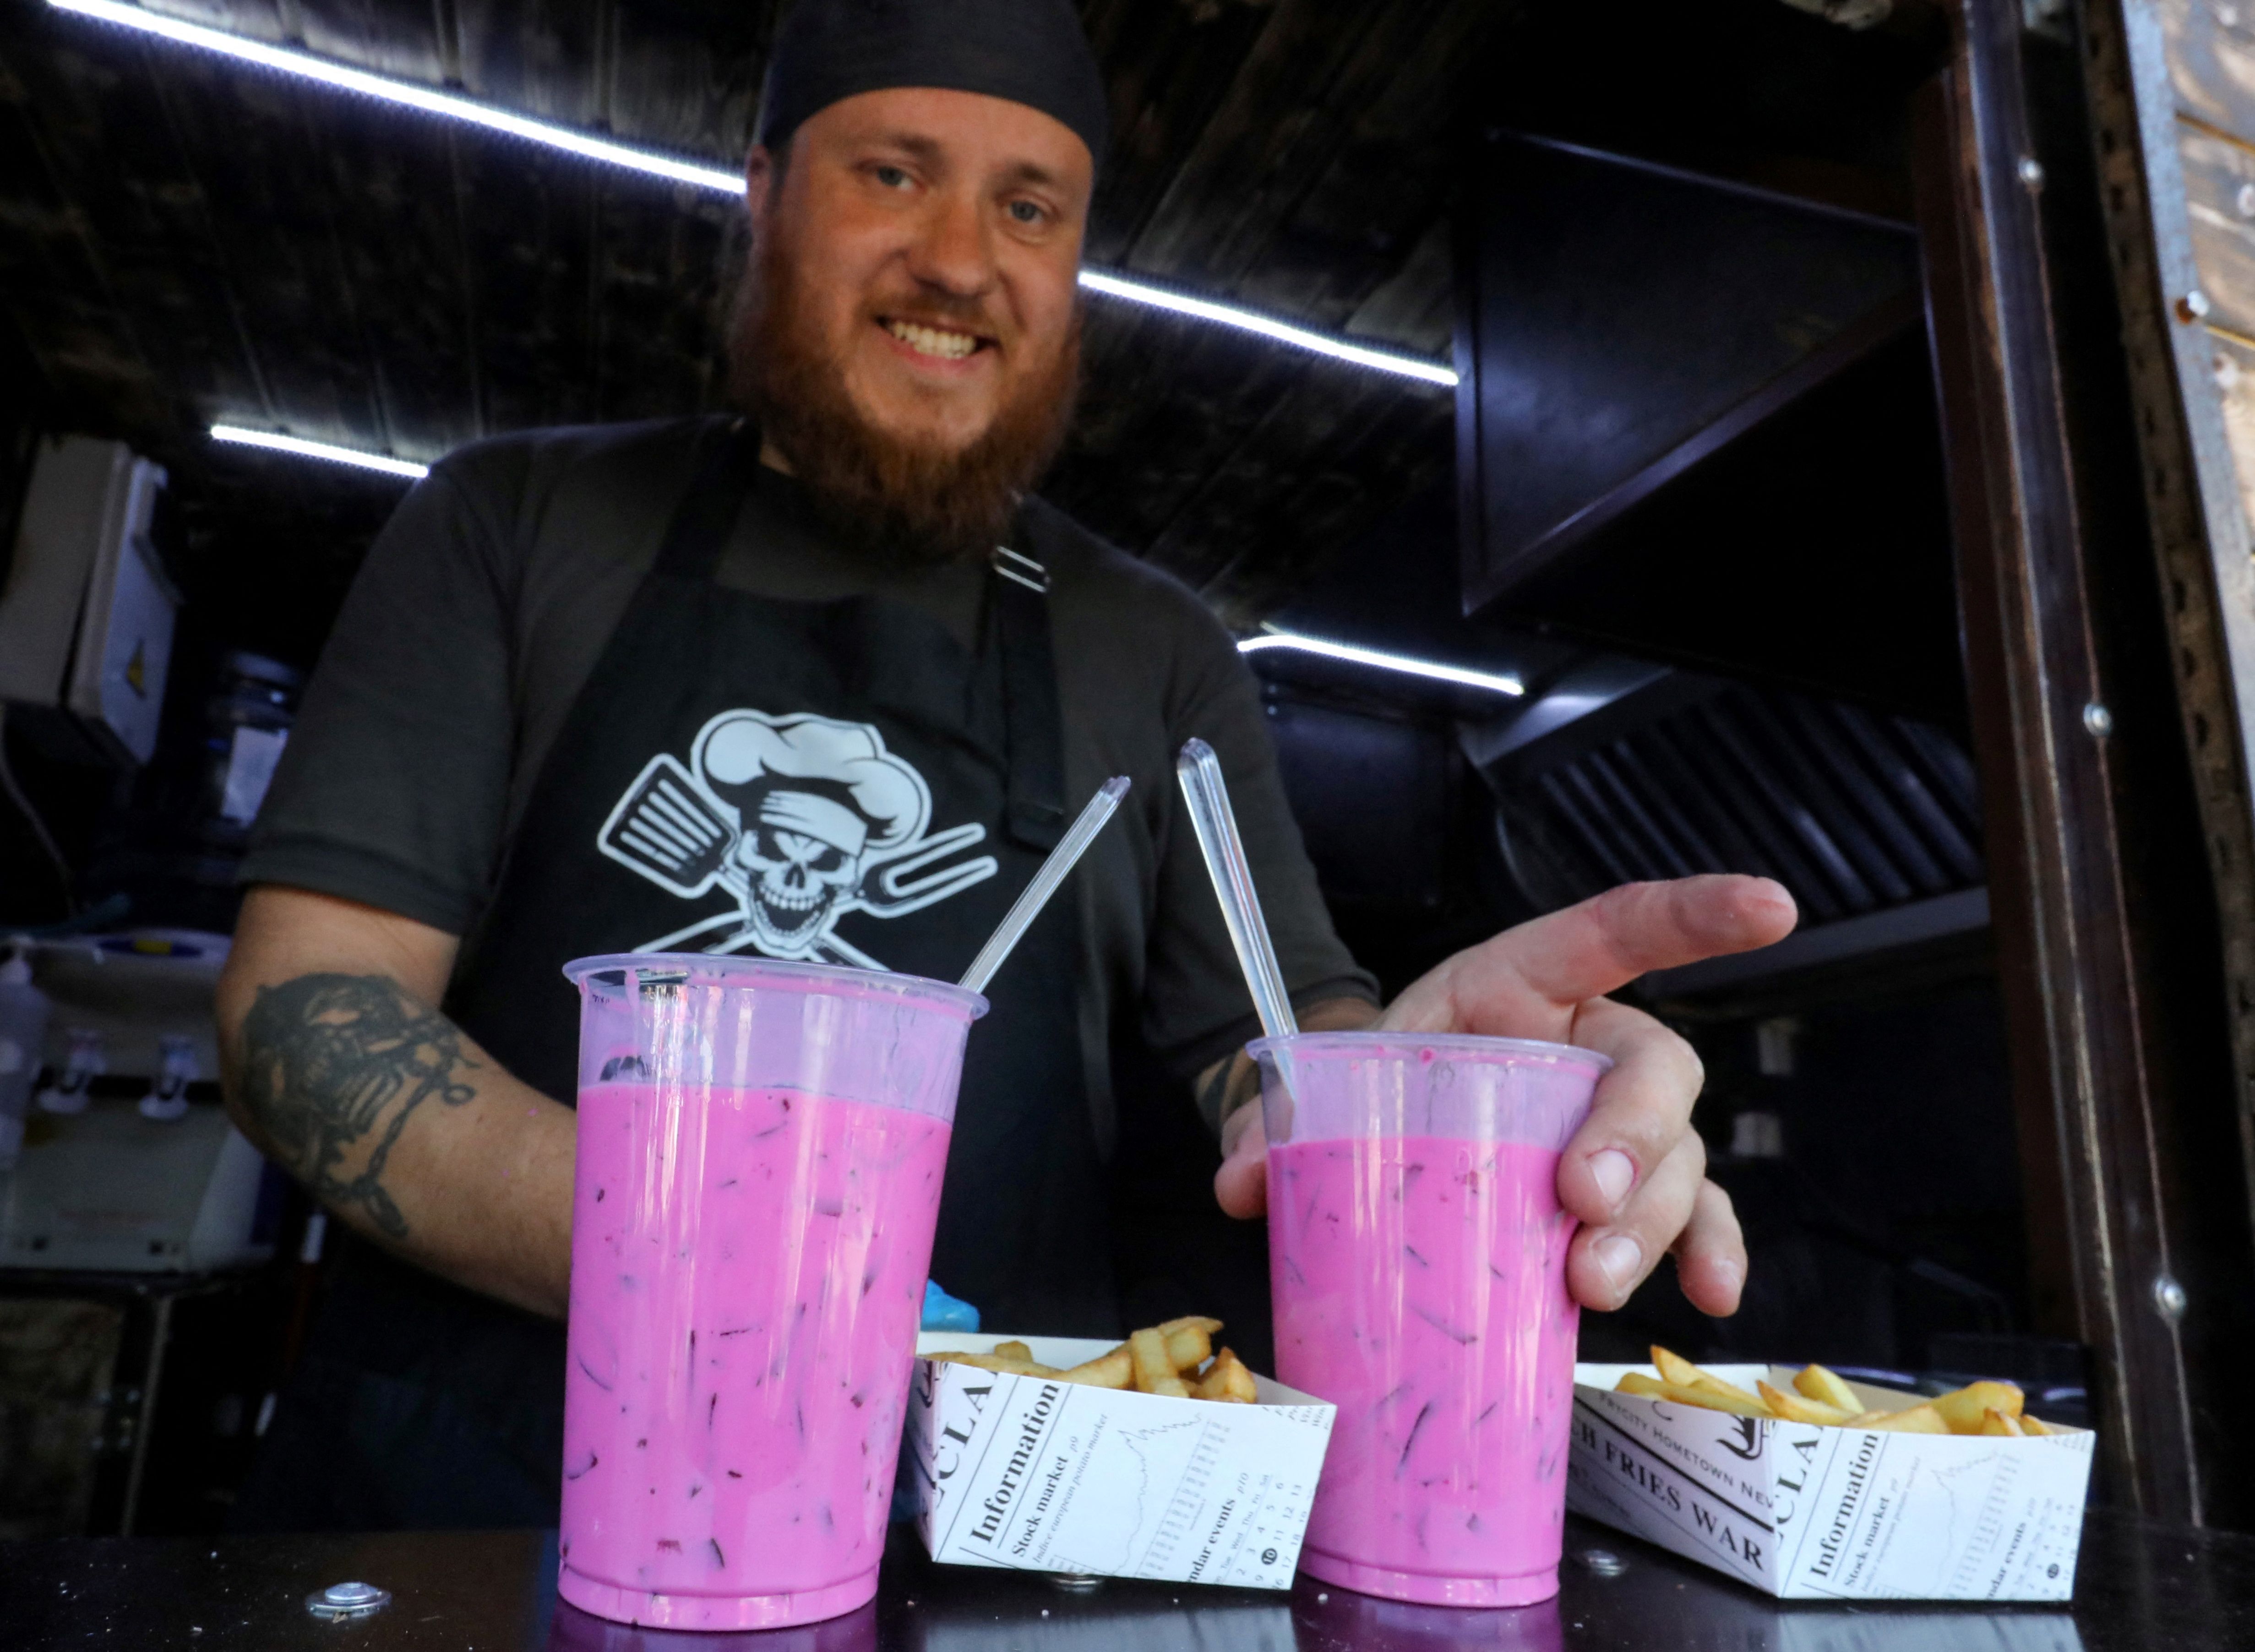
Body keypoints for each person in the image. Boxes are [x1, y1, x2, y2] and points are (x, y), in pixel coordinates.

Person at [214, 0, 1795, 1530]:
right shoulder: (516, 525)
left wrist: (1420, 1101)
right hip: (468, 1502)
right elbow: (312, 1010)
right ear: (764, 195)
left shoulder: (1155, 647)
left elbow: (1274, 1058)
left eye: (1027, 207)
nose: (961, 257)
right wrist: (748, 1256)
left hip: (986, 1516)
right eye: (891, 171)